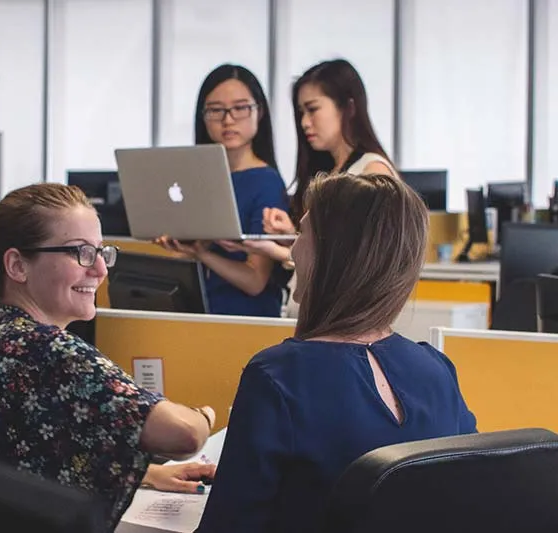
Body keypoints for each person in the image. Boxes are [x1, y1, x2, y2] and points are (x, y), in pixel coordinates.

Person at [0, 183, 216, 532]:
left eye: (102, 252)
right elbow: (184, 436)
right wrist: (204, 415)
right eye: (81, 253)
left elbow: (16, 452)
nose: (101, 270)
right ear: (17, 265)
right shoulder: (41, 349)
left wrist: (144, 473)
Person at [196, 173, 477, 533]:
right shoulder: (437, 370)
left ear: (334, 254)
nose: (293, 250)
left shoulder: (277, 376)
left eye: (303, 233)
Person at [223, 59, 398, 270]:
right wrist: (292, 236)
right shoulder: (329, 172)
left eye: (313, 109)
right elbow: (328, 248)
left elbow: (358, 265)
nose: (305, 122)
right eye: (301, 113)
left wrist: (276, 251)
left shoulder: (372, 171)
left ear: (348, 108)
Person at [156, 64, 289, 318]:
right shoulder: (199, 179)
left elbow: (255, 281)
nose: (228, 119)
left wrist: (203, 254)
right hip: (201, 314)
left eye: (240, 108)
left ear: (258, 112)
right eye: (216, 110)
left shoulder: (265, 181)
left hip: (243, 320)